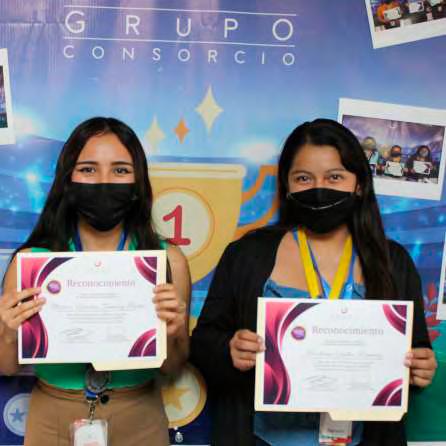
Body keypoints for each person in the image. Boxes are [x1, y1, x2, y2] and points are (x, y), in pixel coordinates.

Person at [190, 119, 436, 446]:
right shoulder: (247, 254)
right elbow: (202, 343)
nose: (319, 188)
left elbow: (415, 352)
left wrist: (420, 369)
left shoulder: (393, 262)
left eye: (334, 177)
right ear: (287, 186)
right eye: (303, 178)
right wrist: (229, 350)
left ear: (359, 185)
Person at [0, 117, 191, 446]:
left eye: (120, 170)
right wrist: (7, 330)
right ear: (68, 179)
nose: (104, 181)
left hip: (140, 417)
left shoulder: (167, 261)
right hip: (52, 417)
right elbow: (7, 367)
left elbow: (173, 368)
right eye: (88, 169)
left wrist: (173, 333)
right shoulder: (33, 263)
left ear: (138, 181)